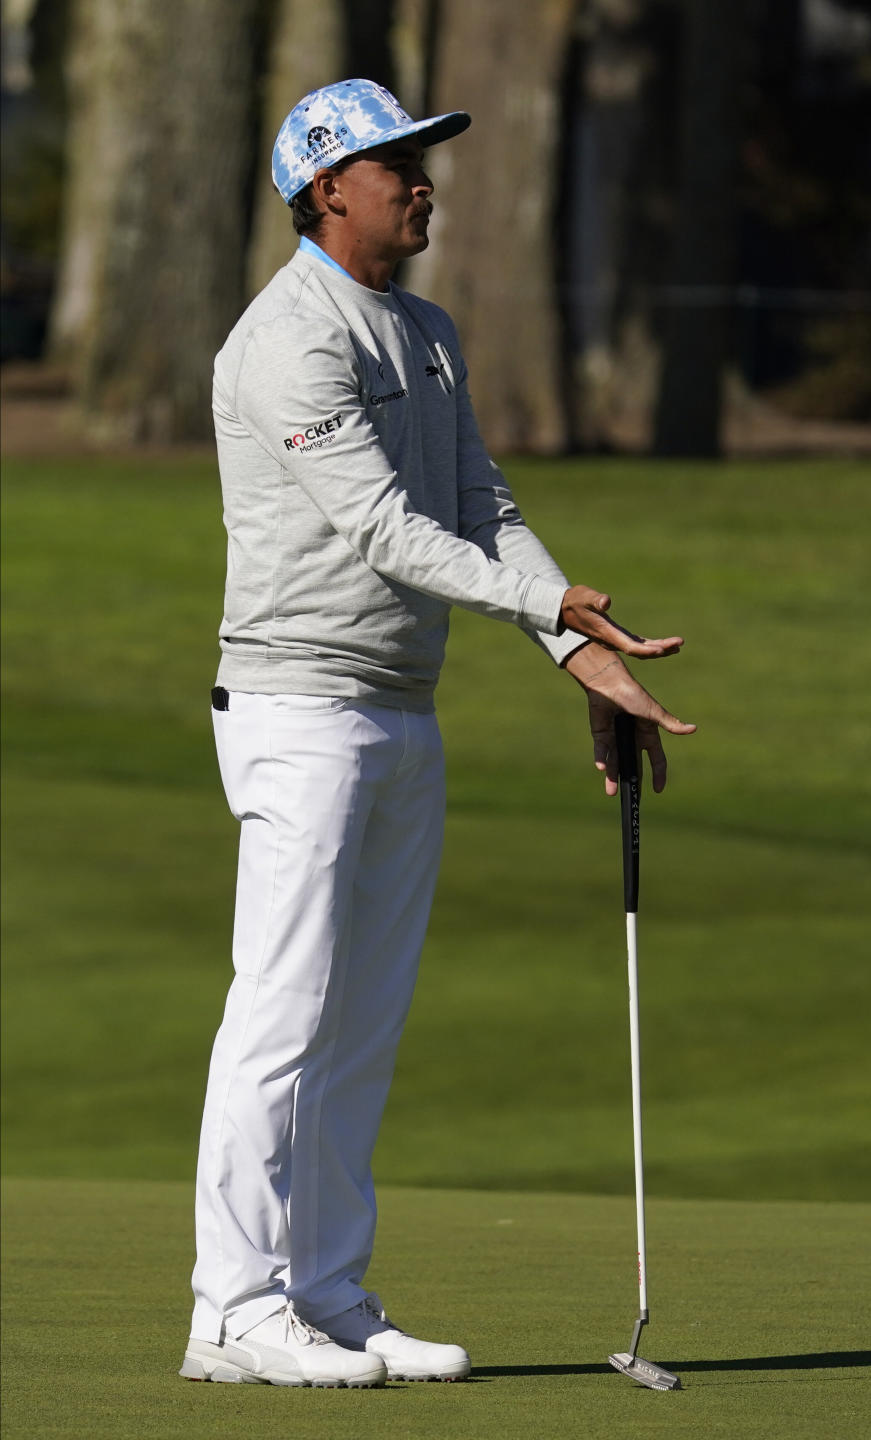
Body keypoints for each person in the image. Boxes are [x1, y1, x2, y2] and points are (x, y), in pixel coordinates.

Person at [180, 78, 695, 1391]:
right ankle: (234, 1309)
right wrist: (547, 603)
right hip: (298, 709)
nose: (423, 181)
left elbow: (478, 505)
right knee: (283, 1016)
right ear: (326, 188)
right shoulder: (287, 335)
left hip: (401, 710)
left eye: (420, 159)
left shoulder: (426, 328)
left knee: (364, 1025)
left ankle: (327, 1290)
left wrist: (578, 650)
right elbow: (383, 529)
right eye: (397, 163)